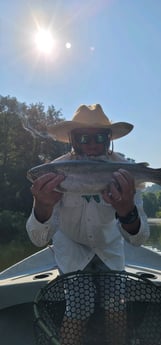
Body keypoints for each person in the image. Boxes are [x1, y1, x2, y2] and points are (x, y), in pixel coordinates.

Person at [26, 104, 150, 345]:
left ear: (109, 139)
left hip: (109, 246)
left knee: (117, 307)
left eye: (100, 137)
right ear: (72, 140)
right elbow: (39, 239)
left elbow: (138, 238)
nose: (91, 145)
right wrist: (43, 207)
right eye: (83, 137)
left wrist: (127, 212)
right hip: (71, 247)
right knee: (77, 308)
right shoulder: (56, 171)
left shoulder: (126, 171)